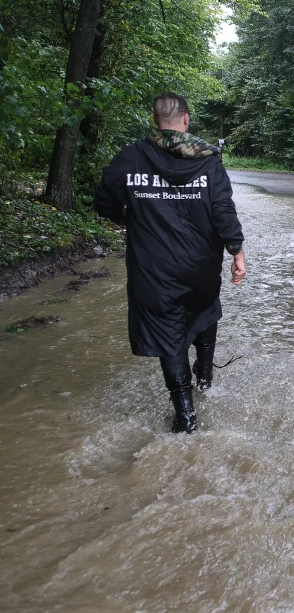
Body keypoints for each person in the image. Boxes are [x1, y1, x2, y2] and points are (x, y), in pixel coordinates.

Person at [95, 91, 246, 434]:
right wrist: (236, 251)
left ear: (155, 121)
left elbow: (104, 200)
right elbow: (223, 209)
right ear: (186, 120)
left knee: (168, 336)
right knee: (206, 309)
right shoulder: (208, 160)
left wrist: (130, 219)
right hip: (200, 265)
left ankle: (185, 414)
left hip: (153, 270)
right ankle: (205, 378)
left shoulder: (131, 157)